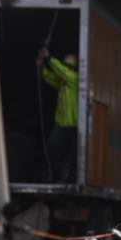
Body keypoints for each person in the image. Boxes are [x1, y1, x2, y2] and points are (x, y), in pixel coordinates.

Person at [37, 48, 78, 183]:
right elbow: (50, 77)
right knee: (52, 146)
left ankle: (71, 178)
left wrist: (49, 59)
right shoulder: (62, 82)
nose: (65, 60)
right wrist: (42, 67)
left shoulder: (74, 78)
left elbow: (61, 71)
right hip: (61, 125)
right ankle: (57, 175)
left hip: (74, 125)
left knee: (74, 155)